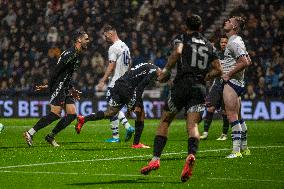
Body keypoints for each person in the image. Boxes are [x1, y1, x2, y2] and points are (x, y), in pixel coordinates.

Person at [140, 15, 222, 182]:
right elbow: (218, 70)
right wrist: (205, 77)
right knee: (192, 125)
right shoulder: (209, 45)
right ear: (201, 27)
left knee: (165, 120)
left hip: (182, 85)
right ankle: (191, 154)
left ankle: (155, 159)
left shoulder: (182, 38)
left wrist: (165, 70)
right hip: (199, 88)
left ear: (186, 26)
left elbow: (177, 52)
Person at [23, 30, 90, 147]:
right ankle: (30, 133)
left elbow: (67, 74)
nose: (88, 41)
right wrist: (49, 85)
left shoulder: (78, 54)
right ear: (79, 40)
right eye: (86, 39)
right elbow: (56, 70)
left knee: (71, 114)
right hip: (59, 85)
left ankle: (50, 136)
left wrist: (71, 88)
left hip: (65, 86)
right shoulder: (70, 54)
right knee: (55, 114)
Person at [75, 63, 162, 141]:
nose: (157, 80)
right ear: (161, 74)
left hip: (120, 84)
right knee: (141, 113)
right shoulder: (153, 72)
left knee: (110, 112)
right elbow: (139, 88)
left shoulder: (149, 66)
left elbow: (134, 79)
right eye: (159, 79)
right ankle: (136, 143)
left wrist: (129, 105)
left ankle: (84, 119)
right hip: (126, 87)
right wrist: (138, 104)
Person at [96, 24, 134, 143]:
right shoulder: (125, 46)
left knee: (111, 109)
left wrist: (103, 80)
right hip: (125, 82)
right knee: (115, 108)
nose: (105, 38)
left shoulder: (113, 48)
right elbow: (130, 63)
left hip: (115, 84)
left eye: (105, 35)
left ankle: (117, 136)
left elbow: (111, 66)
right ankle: (125, 129)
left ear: (110, 33)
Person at [222, 16, 251, 158]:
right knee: (238, 116)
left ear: (234, 27)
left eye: (229, 21)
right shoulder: (238, 41)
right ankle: (245, 148)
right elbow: (248, 60)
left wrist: (228, 74)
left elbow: (244, 62)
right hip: (238, 82)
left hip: (232, 82)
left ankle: (236, 151)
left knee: (232, 116)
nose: (226, 21)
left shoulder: (233, 42)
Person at [200, 36, 230, 141]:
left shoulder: (232, 55)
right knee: (210, 108)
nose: (223, 44)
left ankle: (224, 134)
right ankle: (205, 133)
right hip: (217, 84)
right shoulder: (217, 54)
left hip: (228, 85)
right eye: (222, 42)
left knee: (225, 111)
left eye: (225, 42)